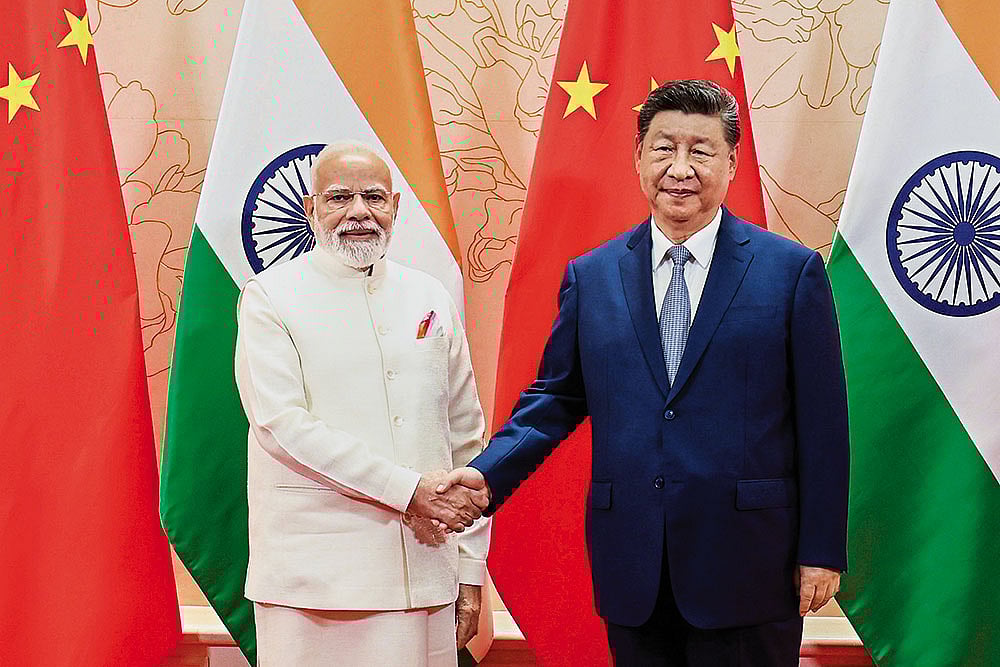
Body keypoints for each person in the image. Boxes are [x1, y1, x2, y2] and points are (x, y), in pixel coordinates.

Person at [438, 80, 849, 665]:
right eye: (663, 149)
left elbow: (824, 426)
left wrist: (822, 550)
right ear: (638, 158)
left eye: (701, 151)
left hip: (751, 564)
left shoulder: (791, 272)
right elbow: (555, 399)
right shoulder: (593, 276)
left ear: (732, 162)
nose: (680, 169)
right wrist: (486, 476)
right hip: (634, 564)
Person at [234, 142, 490, 667]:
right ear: (311, 209)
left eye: (373, 197)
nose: (358, 212)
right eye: (339, 198)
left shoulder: (430, 296)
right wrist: (408, 490)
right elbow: (281, 425)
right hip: (314, 583)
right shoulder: (270, 296)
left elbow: (466, 437)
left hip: (426, 573)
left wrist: (469, 568)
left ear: (395, 206)